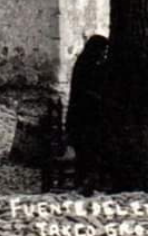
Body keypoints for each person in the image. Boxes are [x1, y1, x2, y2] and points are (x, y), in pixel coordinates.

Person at [65, 35, 109, 192]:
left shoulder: (86, 62)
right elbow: (85, 90)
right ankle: (85, 183)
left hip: (82, 114)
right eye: (102, 50)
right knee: (87, 149)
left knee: (87, 150)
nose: (103, 54)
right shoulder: (86, 64)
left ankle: (85, 182)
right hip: (82, 115)